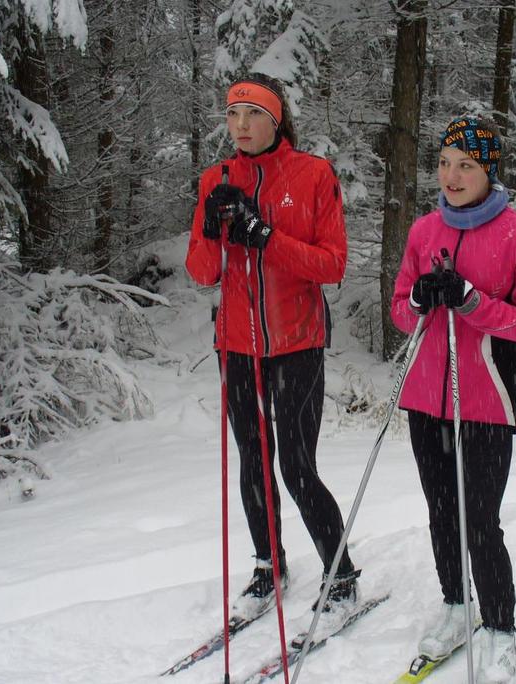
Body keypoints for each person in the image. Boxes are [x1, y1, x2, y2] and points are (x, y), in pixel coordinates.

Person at [185, 73, 359, 630]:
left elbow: (332, 265)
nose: (240, 125)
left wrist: (264, 236)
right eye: (233, 114)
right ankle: (269, 564)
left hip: (297, 343)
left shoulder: (313, 174)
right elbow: (202, 273)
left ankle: (342, 573)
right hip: (237, 346)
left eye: (253, 114)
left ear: (276, 118)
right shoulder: (216, 177)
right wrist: (214, 228)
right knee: (253, 463)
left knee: (297, 465)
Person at [390, 116, 516, 683]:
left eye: (466, 165)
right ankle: (456, 604)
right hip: (425, 399)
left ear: (489, 170)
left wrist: (471, 300)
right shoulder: (422, 231)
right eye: (444, 163)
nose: (452, 175)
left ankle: (501, 626)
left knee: (479, 519)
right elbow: (398, 312)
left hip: (485, 399)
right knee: (441, 513)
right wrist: (417, 297)